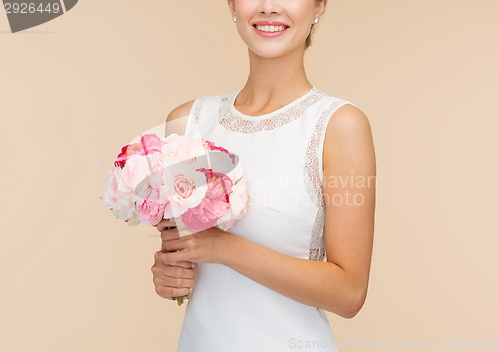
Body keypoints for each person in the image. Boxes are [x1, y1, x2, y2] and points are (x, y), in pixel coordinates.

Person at [151, 0, 376, 350]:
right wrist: (169, 273)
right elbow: (180, 251)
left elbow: (349, 294)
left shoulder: (339, 126)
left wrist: (225, 248)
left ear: (319, 6)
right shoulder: (187, 122)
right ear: (232, 5)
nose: (269, 7)